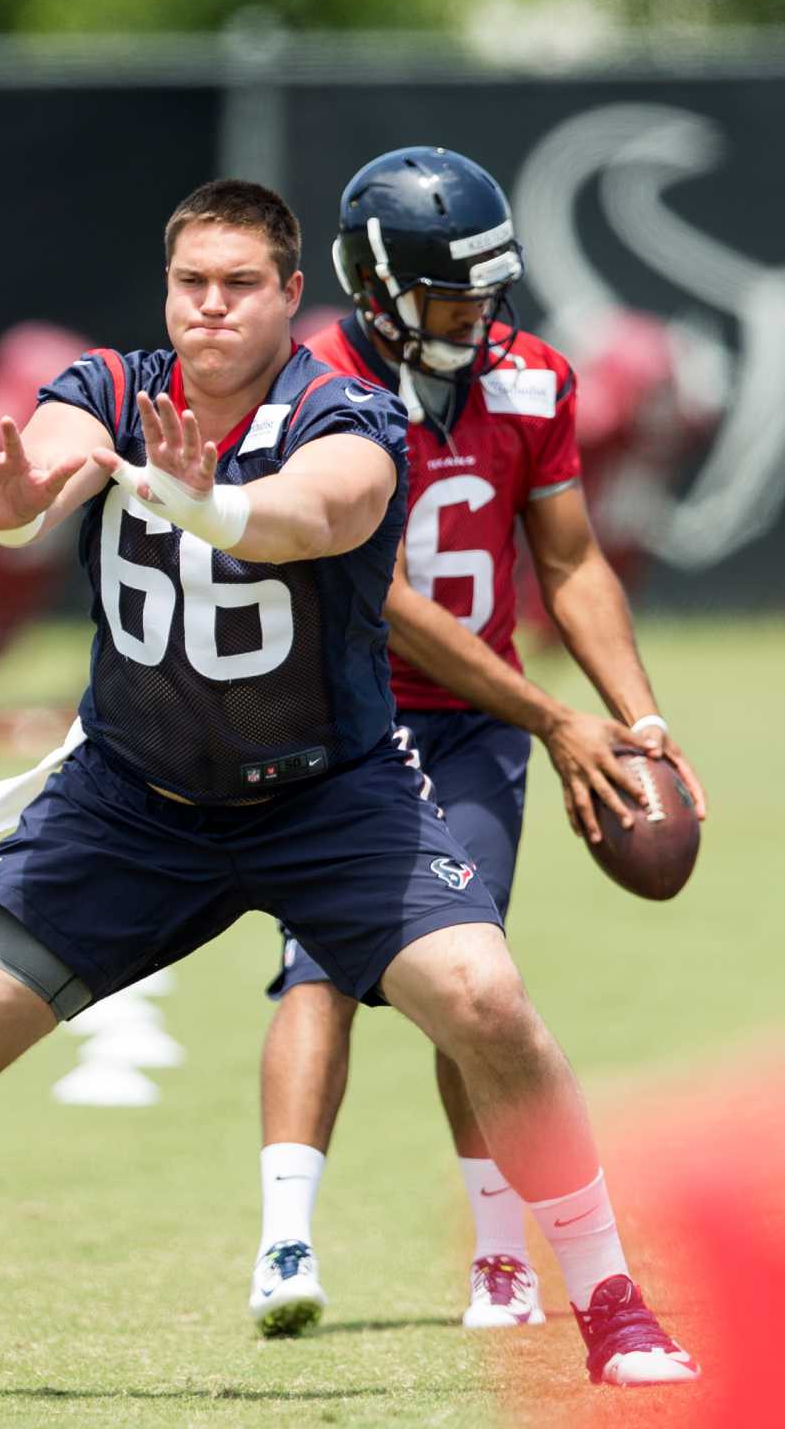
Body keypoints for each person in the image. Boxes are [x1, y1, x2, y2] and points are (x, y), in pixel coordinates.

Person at [0, 179, 696, 1393]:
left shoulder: (346, 413)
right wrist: (14, 512)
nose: (211, 308)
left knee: (487, 1007)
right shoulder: (109, 385)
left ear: (287, 296)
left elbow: (310, 517)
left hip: (328, 798)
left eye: (239, 285)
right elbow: (53, 457)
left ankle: (610, 1302)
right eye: (190, 284)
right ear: (166, 292)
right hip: (131, 799)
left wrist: (202, 500)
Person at [248, 147, 707, 1336]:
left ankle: (496, 1256)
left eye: (485, 285)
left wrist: (635, 721)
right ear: (376, 286)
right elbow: (386, 593)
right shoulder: (309, 388)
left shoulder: (529, 380)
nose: (476, 310)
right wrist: (555, 717)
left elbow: (568, 561)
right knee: (318, 968)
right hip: (338, 714)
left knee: (471, 971)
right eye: (449, 289)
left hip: (468, 727)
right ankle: (283, 1240)